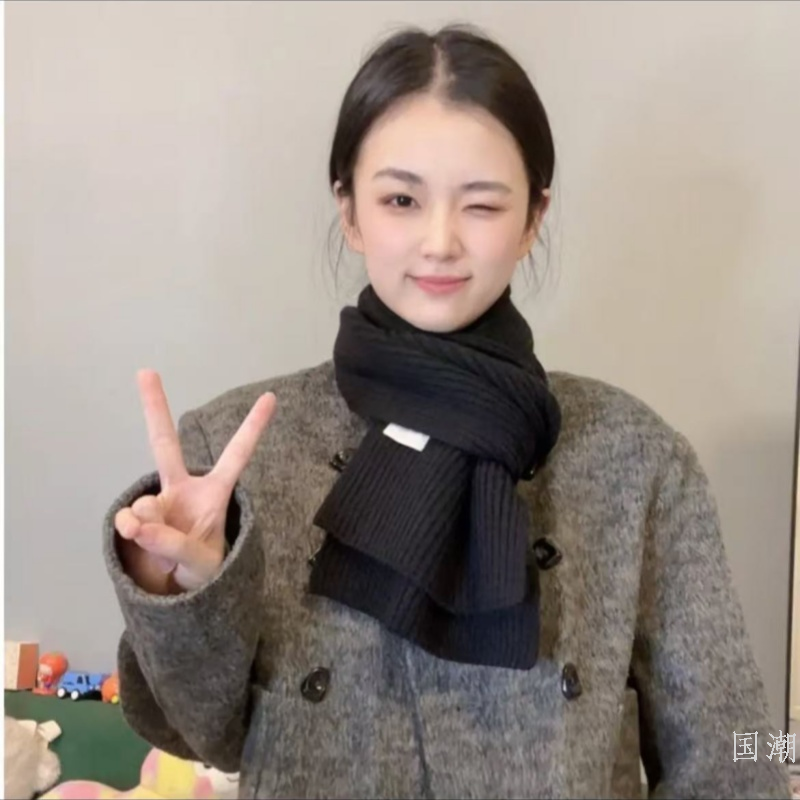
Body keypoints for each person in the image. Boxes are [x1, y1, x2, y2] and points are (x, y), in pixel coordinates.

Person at [104, 23, 792, 800]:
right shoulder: (240, 446)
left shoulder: (636, 458)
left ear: (533, 218)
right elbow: (196, 736)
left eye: (482, 205)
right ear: (350, 211)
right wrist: (185, 595)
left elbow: (738, 755)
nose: (439, 242)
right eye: (401, 199)